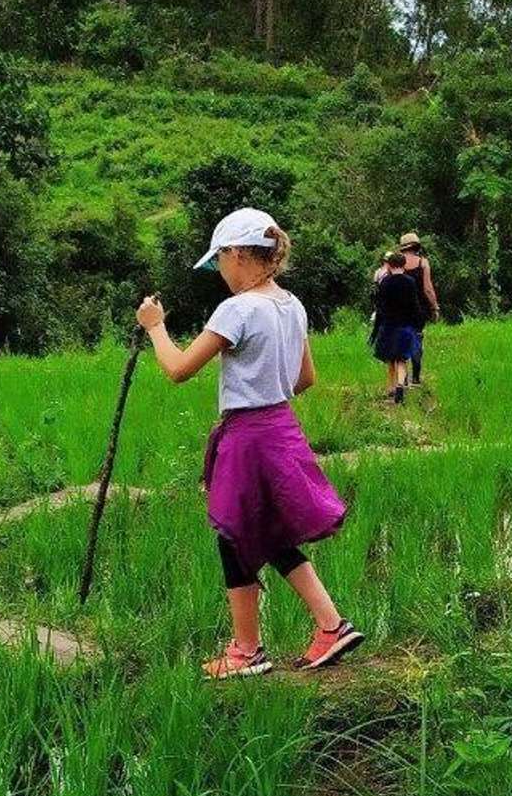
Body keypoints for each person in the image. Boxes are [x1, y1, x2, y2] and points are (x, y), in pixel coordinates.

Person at [135, 208, 363, 679]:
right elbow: (306, 378)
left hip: (249, 435)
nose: (219, 271)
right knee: (269, 531)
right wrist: (268, 391)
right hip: (282, 427)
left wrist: (155, 326)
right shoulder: (291, 305)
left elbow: (178, 369)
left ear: (238, 254)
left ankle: (246, 650)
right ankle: (330, 625)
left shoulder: (238, 309)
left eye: (219, 260)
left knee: (235, 534)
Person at [372, 231, 438, 385]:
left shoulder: (396, 264)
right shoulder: (423, 263)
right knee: (417, 337)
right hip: (417, 308)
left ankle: (402, 379)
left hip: (395, 311)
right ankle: (415, 375)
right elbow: (428, 288)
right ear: (417, 246)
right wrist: (434, 306)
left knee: (400, 340)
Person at [371, 250, 426, 403]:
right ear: (403, 264)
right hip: (405, 326)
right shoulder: (410, 282)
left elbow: (380, 306)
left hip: (389, 325)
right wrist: (419, 323)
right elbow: (414, 305)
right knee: (402, 359)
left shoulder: (385, 283)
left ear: (390, 265)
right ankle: (401, 386)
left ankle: (391, 388)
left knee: (391, 359)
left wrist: (377, 327)